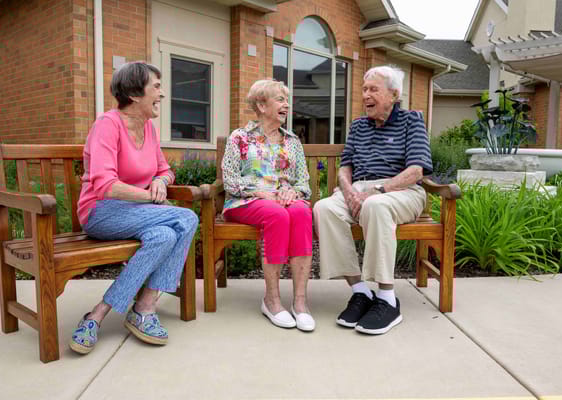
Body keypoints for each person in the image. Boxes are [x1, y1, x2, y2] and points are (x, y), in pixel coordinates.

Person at [70, 61, 199, 354]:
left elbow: (166, 170)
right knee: (187, 217)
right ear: (134, 94)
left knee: (165, 236)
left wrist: (161, 182)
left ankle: (101, 313)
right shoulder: (107, 125)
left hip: (138, 214)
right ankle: (143, 309)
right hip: (101, 212)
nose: (162, 94)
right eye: (156, 86)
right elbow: (104, 185)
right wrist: (150, 197)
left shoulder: (149, 129)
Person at [313, 66, 433, 335]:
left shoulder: (411, 121)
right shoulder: (358, 126)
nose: (366, 95)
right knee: (324, 208)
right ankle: (360, 292)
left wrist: (378, 190)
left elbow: (416, 171)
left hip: (399, 190)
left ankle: (388, 299)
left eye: (373, 89)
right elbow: (345, 168)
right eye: (364, 89)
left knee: (375, 205)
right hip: (360, 190)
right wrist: (349, 191)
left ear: (393, 94)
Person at [222, 79, 315, 331]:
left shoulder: (292, 141)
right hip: (246, 201)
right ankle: (271, 300)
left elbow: (303, 181)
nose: (287, 104)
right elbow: (229, 179)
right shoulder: (240, 138)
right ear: (262, 105)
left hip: (282, 201)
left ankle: (300, 302)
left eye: (287, 100)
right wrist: (261, 192)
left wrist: (291, 191)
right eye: (281, 99)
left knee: (302, 212)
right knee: (277, 214)